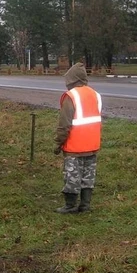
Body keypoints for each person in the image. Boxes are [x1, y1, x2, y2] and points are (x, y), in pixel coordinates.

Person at [53, 62, 102, 213]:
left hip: (75, 146)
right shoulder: (95, 94)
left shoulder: (71, 96)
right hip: (92, 146)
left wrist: (58, 143)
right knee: (88, 176)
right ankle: (85, 205)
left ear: (71, 80)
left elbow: (64, 125)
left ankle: (70, 205)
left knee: (72, 176)